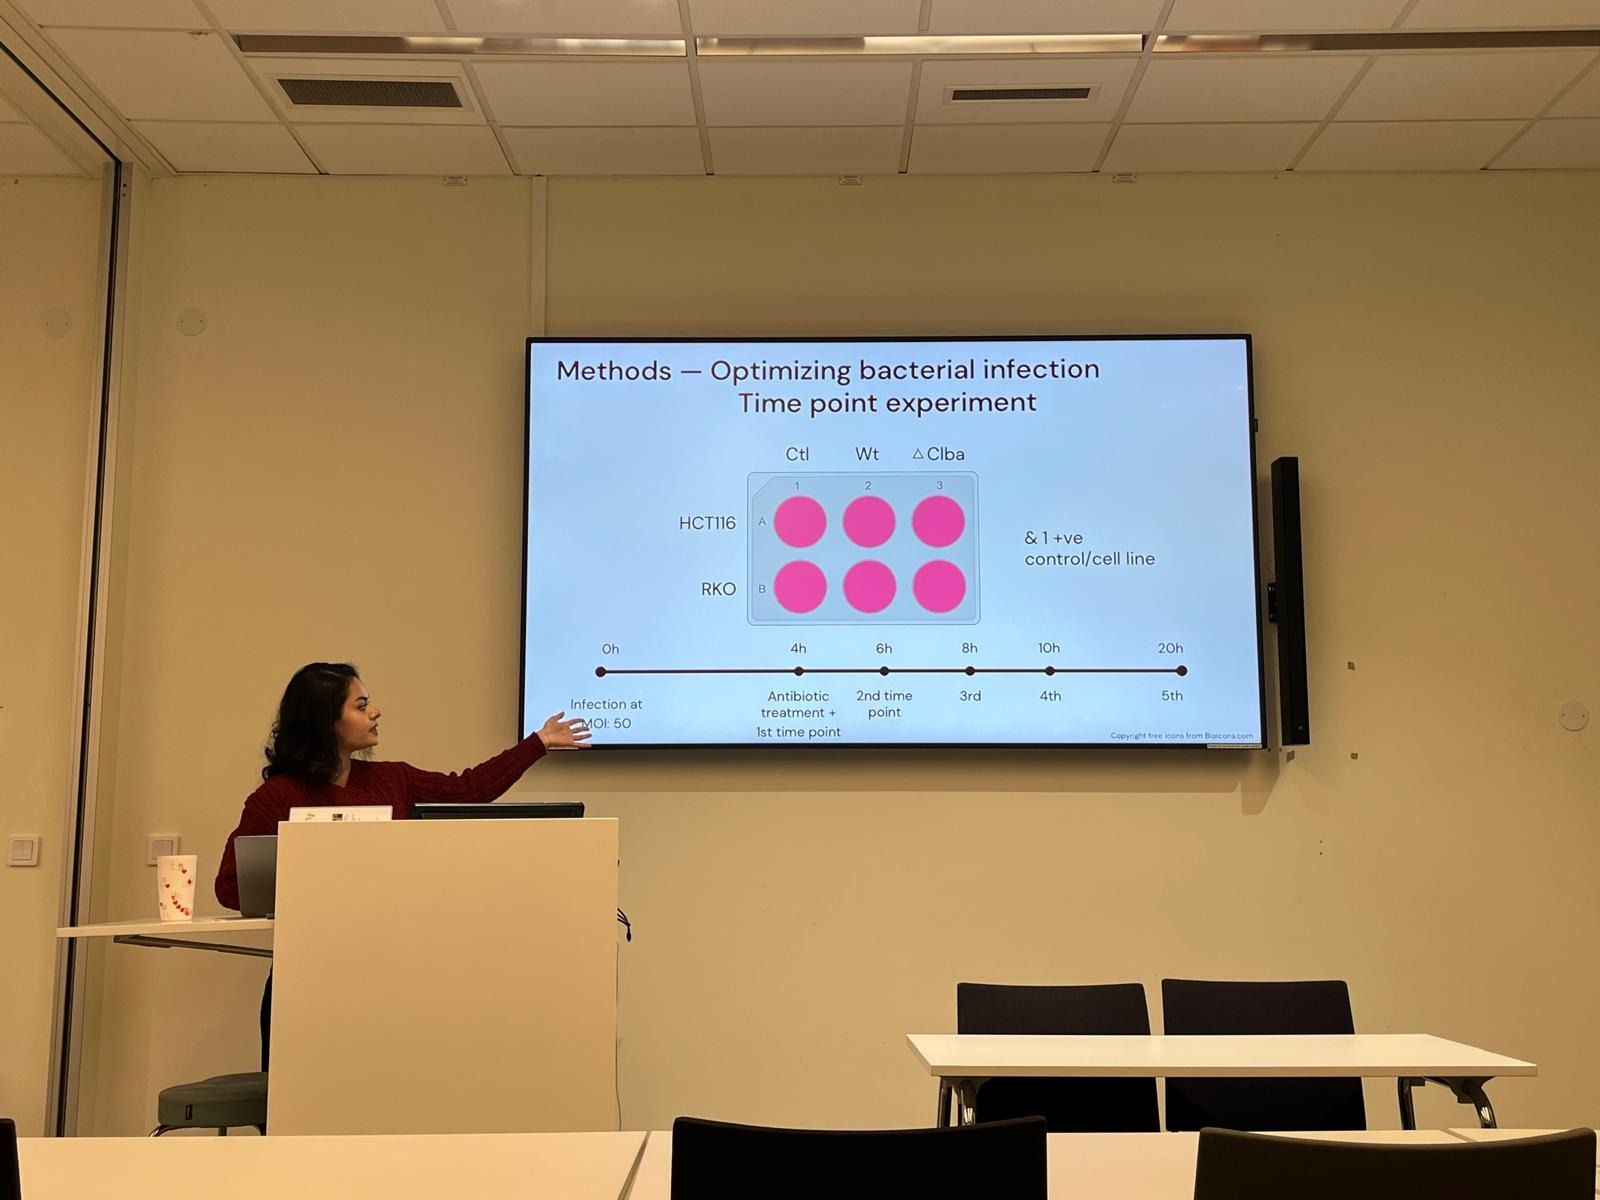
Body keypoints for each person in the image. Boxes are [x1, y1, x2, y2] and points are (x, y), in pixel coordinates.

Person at [214, 662, 590, 1068]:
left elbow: (468, 790)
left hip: (385, 979)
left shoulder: (394, 781)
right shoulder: (277, 797)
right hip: (303, 983)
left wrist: (538, 742)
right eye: (361, 706)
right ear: (327, 720)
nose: (375, 712)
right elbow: (231, 887)